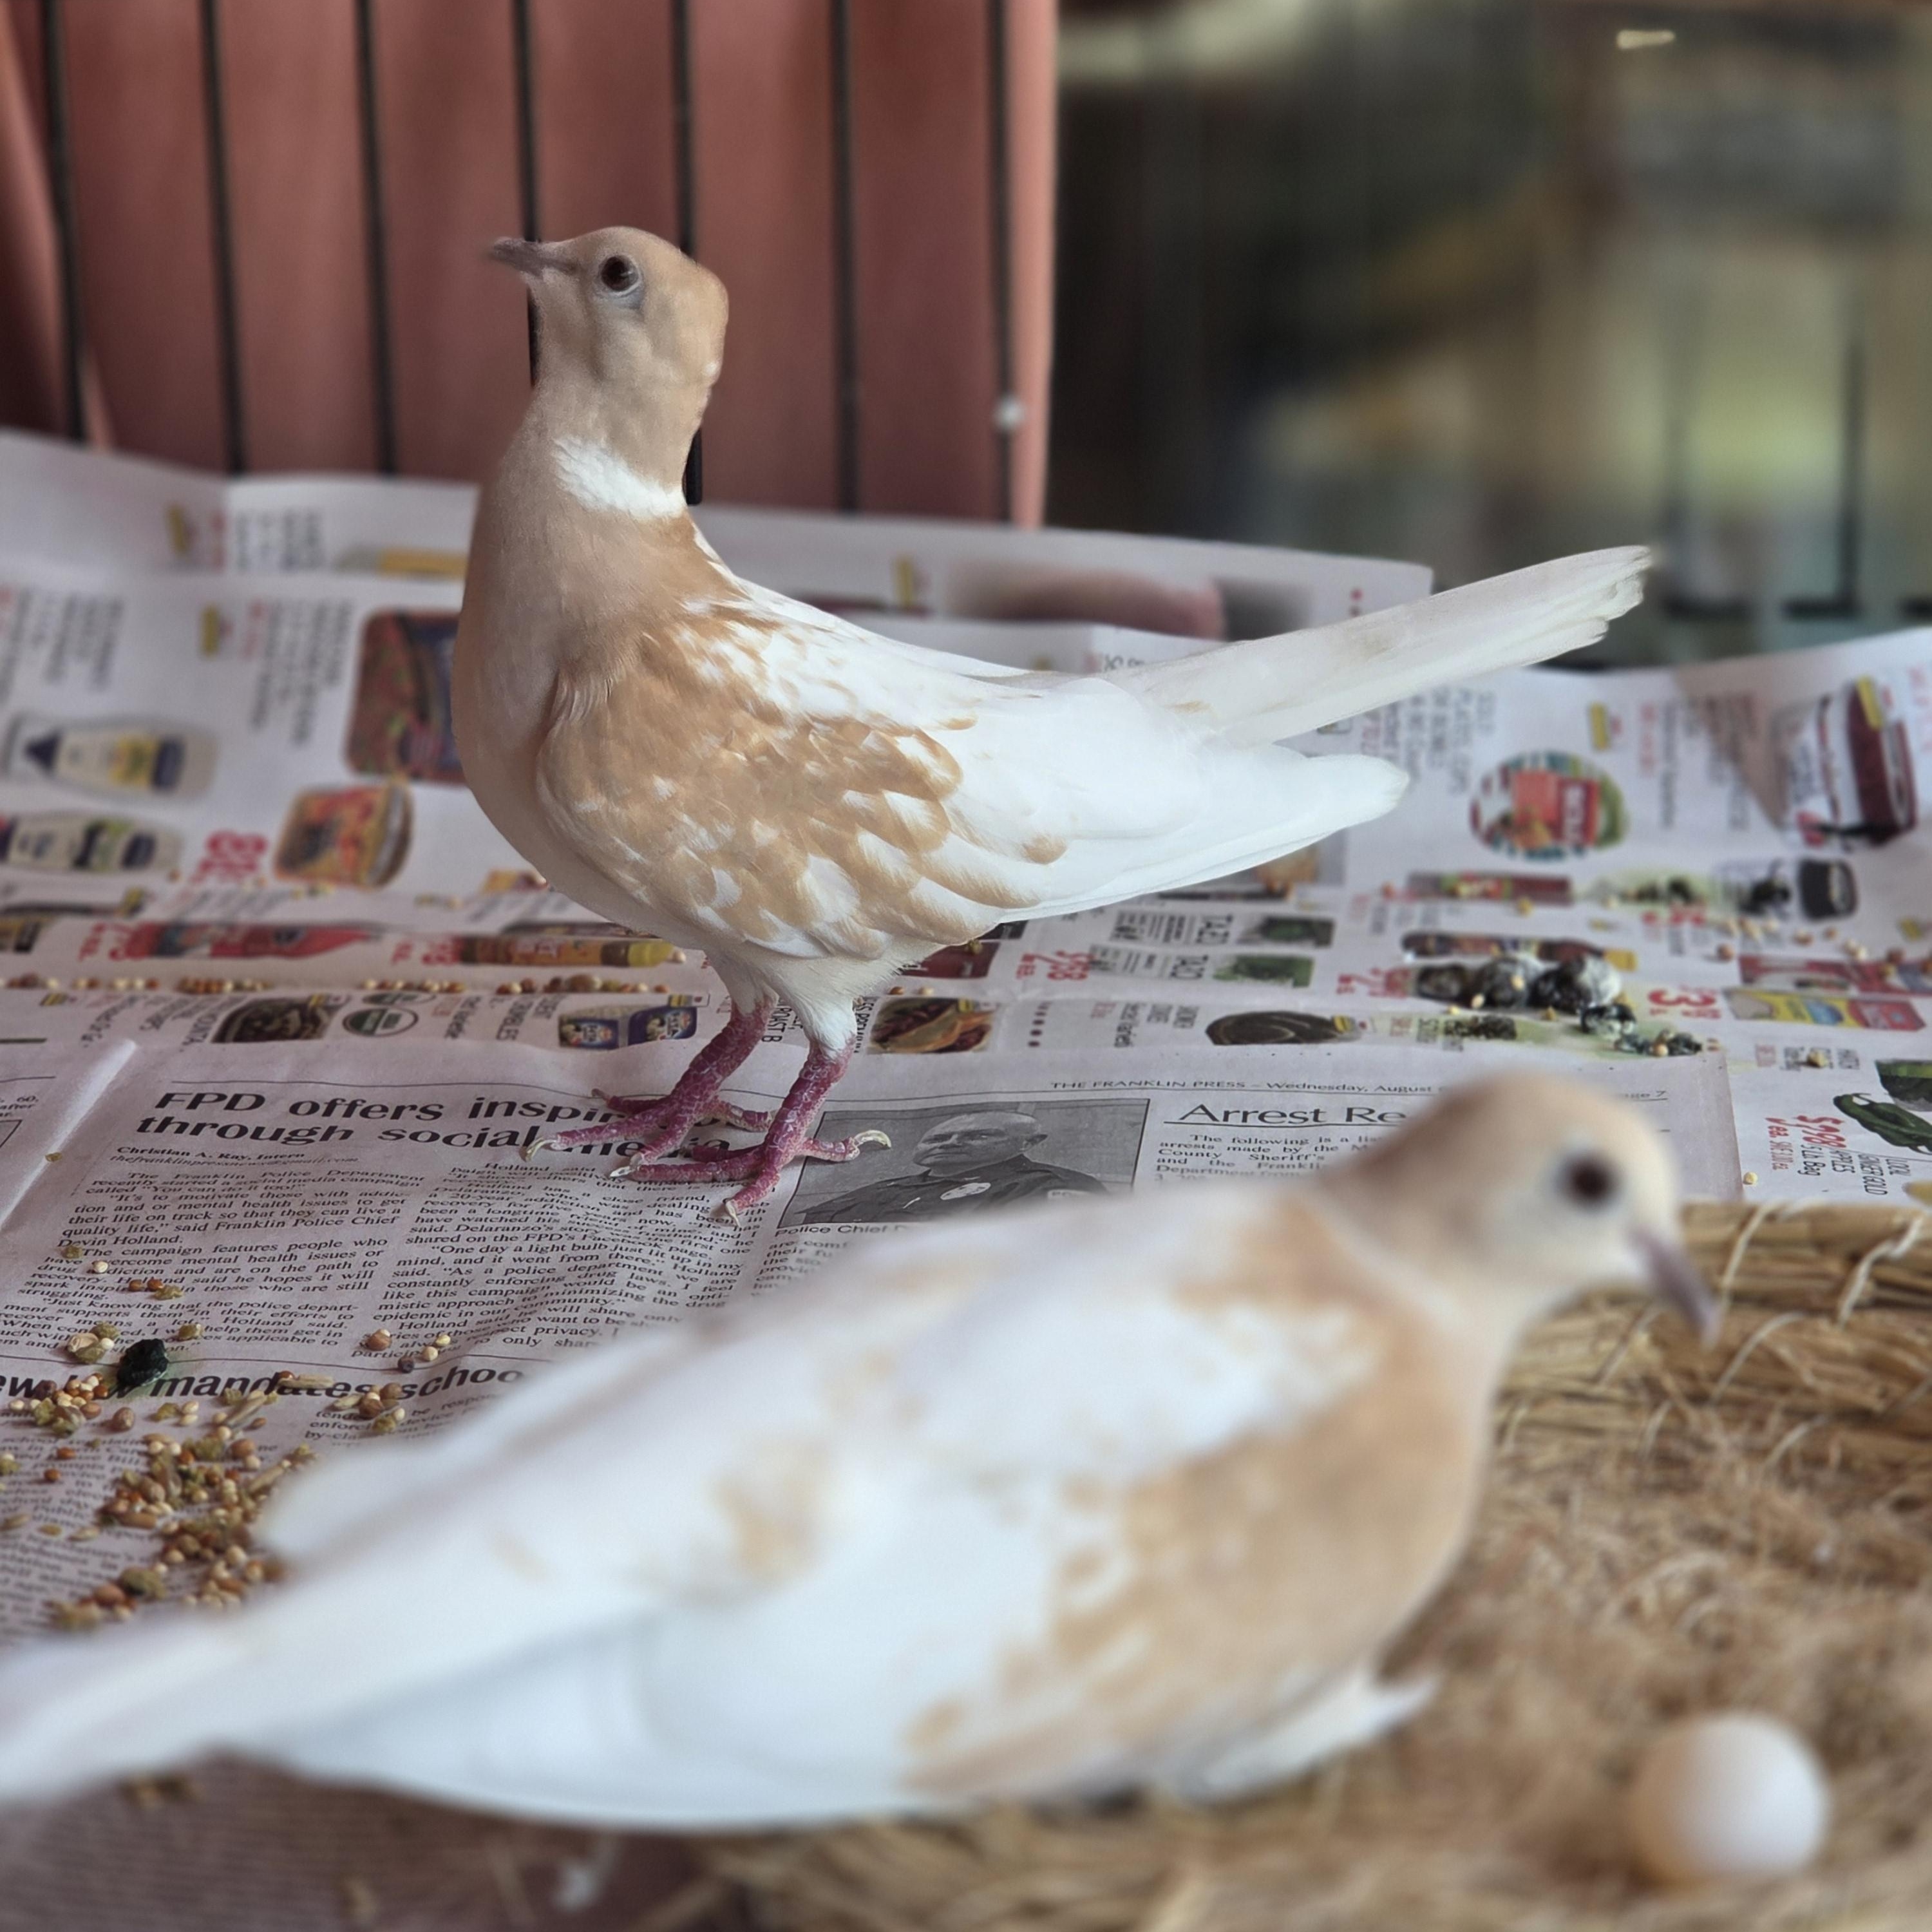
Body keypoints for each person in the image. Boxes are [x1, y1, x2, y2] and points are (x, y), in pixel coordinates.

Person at [794, 1110, 1108, 1224]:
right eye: (939, 1138)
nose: (949, 1144)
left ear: (1028, 1143)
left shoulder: (1049, 1187)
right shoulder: (886, 1188)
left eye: (979, 1136)